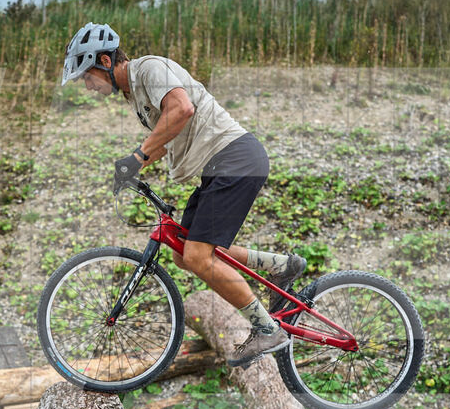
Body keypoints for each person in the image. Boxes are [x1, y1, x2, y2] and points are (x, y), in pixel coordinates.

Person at [61, 22, 307, 367]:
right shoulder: (136, 94)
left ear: (104, 60)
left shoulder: (149, 68)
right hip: (219, 167)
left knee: (196, 256)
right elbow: (168, 135)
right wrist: (133, 167)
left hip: (234, 158)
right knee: (184, 252)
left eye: (87, 77)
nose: (87, 86)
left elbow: (182, 110)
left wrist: (137, 157)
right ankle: (281, 266)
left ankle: (267, 328)